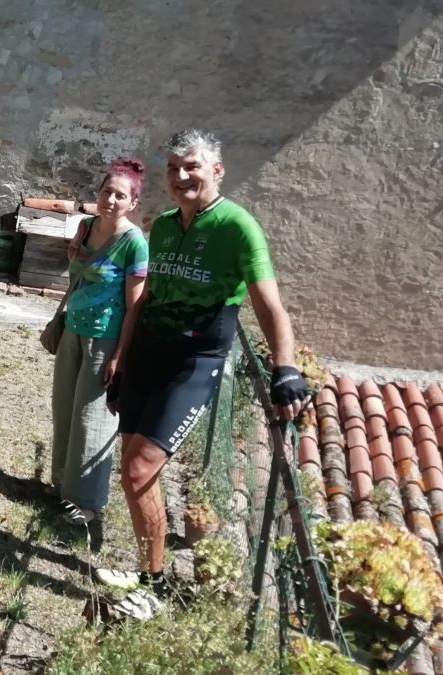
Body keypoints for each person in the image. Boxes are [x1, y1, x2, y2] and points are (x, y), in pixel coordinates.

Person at [97, 130, 310, 620]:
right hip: (148, 356)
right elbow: (145, 299)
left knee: (137, 469)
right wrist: (123, 362)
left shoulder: (239, 227)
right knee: (133, 476)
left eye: (191, 166)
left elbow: (269, 303)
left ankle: (155, 586)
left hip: (193, 365)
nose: (181, 176)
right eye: (173, 168)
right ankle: (146, 566)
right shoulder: (166, 225)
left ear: (217, 170)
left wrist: (286, 367)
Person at [50, 158, 148, 525]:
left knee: (91, 420)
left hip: (105, 340)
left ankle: (86, 502)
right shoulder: (86, 226)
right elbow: (75, 270)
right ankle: (61, 485)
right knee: (64, 408)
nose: (110, 199)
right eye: (107, 191)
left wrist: (119, 357)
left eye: (120, 196)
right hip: (73, 329)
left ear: (132, 203)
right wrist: (76, 247)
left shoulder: (133, 243)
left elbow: (134, 306)